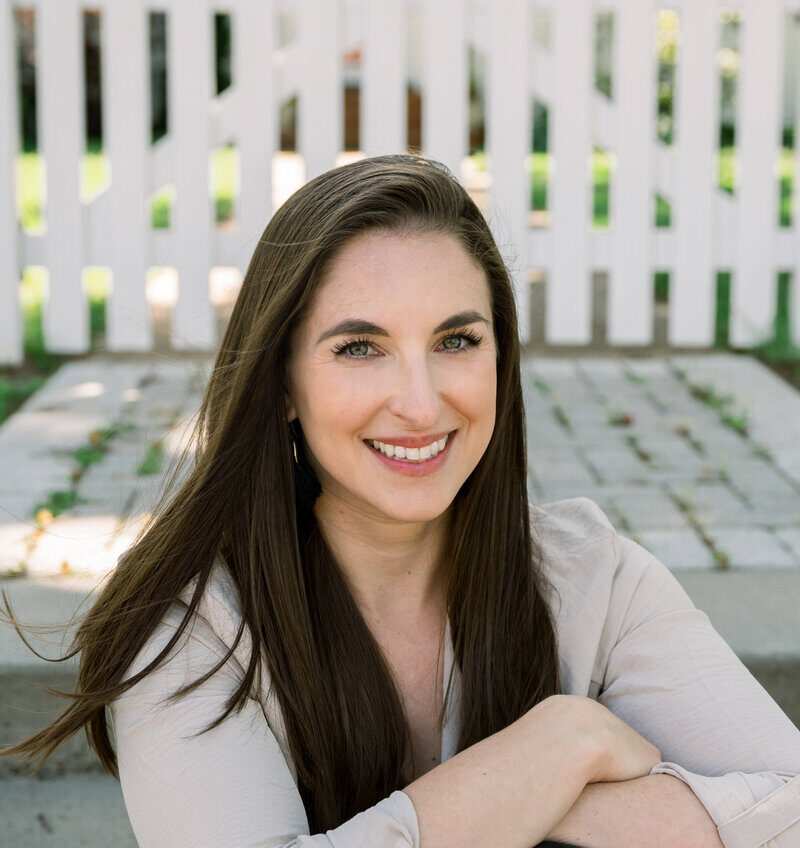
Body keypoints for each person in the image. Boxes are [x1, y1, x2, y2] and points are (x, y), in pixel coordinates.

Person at [2, 154, 799, 848]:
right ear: (282, 382)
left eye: (457, 341)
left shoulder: (590, 578)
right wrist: (560, 744)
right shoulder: (192, 632)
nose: (419, 405)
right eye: (360, 347)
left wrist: (522, 807)